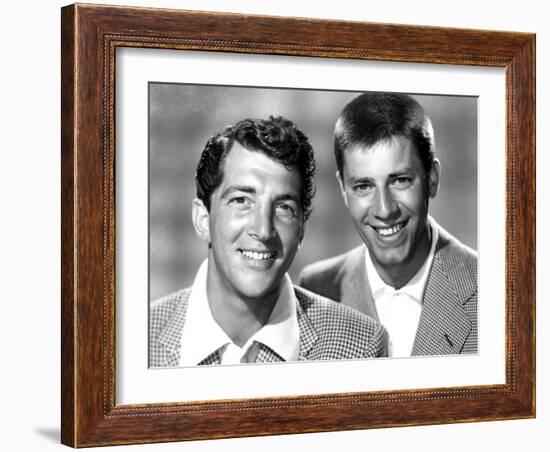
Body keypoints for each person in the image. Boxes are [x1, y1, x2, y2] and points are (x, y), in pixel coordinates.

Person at [150, 116, 387, 367]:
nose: (263, 230)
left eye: (284, 207)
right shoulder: (132, 339)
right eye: (241, 201)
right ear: (202, 219)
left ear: (302, 230)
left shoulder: (362, 348)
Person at [299, 93, 477, 357]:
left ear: (432, 179)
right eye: (363, 186)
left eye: (400, 180)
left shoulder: (498, 293)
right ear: (344, 190)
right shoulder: (315, 288)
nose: (385, 210)